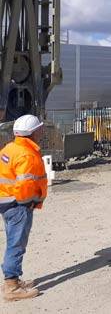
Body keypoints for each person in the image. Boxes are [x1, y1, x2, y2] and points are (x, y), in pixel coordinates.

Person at [0, 114, 48, 301]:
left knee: (13, 240)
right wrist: (31, 202)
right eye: (39, 129)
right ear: (33, 132)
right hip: (19, 205)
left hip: (6, 201)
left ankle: (13, 280)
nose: (41, 131)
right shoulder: (27, 154)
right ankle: (11, 287)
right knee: (17, 243)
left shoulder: (10, 148)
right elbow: (25, 186)